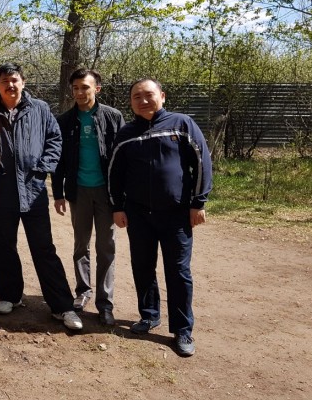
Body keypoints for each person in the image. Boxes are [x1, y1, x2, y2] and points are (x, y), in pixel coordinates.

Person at [108, 78, 212, 357]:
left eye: (148, 95)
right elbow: (115, 173)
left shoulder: (181, 124)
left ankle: (182, 329)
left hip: (176, 214)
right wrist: (117, 206)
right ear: (130, 102)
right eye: (136, 96)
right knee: (143, 266)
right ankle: (149, 315)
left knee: (178, 271)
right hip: (138, 214)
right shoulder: (126, 133)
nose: (143, 101)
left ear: (162, 96)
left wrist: (198, 202)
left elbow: (201, 162)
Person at [0, 63, 82, 330]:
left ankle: (62, 306)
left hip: (33, 191)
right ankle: (9, 296)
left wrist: (42, 168)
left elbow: (55, 140)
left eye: (14, 80)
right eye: (4, 81)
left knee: (43, 248)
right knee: (3, 247)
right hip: (1, 192)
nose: (10, 85)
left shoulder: (39, 109)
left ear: (23, 82)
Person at [52, 68, 125, 327]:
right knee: (80, 245)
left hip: (106, 192)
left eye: (85, 87)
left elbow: (123, 156)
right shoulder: (64, 120)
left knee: (106, 247)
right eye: (76, 88)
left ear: (97, 89)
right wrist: (58, 193)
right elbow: (58, 160)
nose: (80, 92)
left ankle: (105, 304)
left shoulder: (113, 117)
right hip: (78, 191)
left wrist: (122, 196)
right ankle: (82, 292)